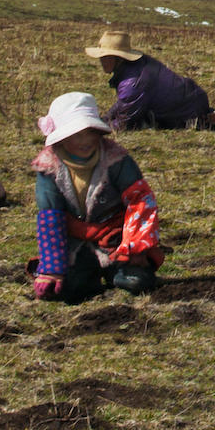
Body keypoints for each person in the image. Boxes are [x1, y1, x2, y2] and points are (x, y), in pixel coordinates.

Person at [29, 92, 164, 302]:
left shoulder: (117, 160)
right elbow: (50, 219)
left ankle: (114, 272)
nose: (86, 141)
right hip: (74, 244)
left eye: (90, 133)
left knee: (135, 281)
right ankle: (87, 273)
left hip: (116, 240)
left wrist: (136, 247)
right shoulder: (48, 168)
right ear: (62, 139)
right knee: (65, 289)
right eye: (77, 135)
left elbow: (140, 202)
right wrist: (53, 267)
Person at [85, 31, 215, 131]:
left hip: (188, 107)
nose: (101, 61)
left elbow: (125, 121)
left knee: (148, 122)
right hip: (192, 96)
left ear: (119, 58)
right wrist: (105, 118)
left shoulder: (133, 83)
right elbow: (124, 103)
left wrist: (99, 129)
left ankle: (203, 120)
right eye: (101, 57)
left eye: (106, 57)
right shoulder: (138, 66)